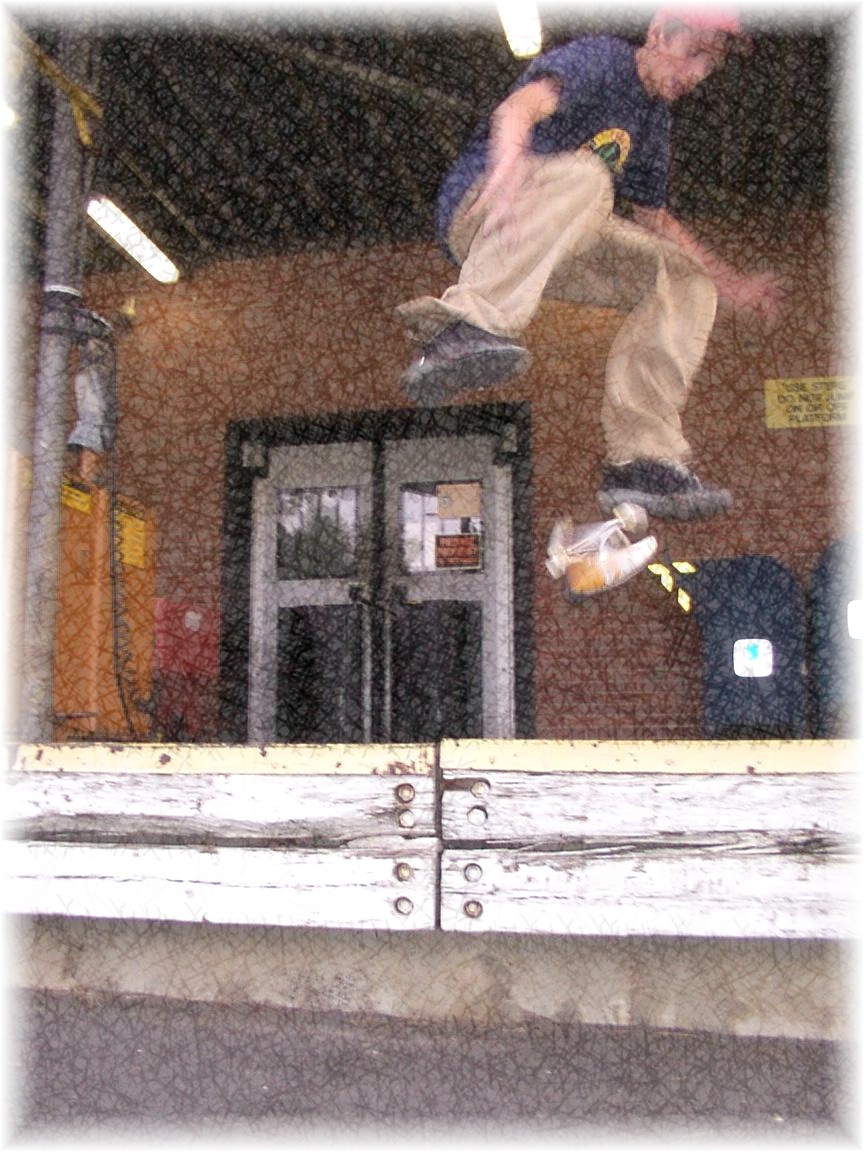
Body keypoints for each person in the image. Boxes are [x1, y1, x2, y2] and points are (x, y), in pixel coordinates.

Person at [396, 9, 782, 550]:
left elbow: (657, 221)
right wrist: (508, 169)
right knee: (589, 177)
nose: (697, 75)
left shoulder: (653, 120)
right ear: (658, 33)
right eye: (694, 54)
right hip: (488, 209)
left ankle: (642, 458)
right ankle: (465, 327)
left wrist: (732, 283)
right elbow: (517, 109)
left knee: (684, 279)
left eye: (709, 67)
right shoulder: (602, 59)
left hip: (560, 230)